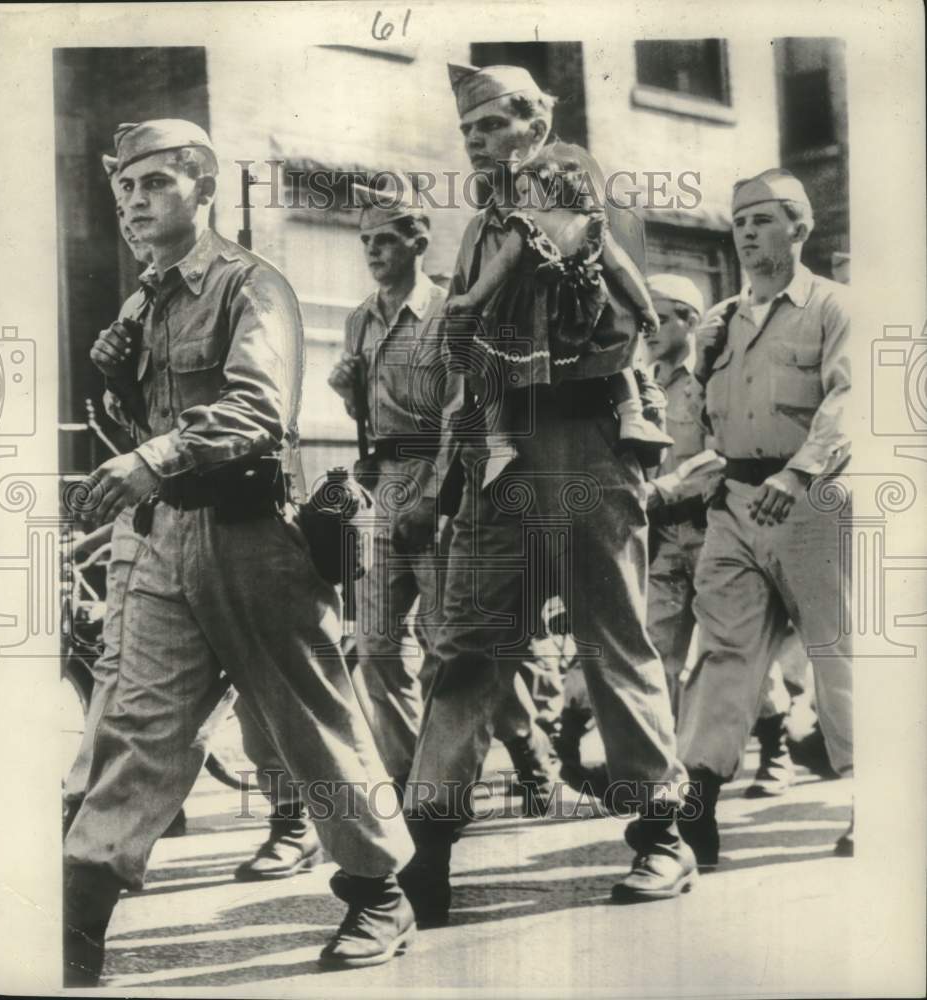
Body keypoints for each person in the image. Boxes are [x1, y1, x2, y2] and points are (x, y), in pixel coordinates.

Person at [62, 119, 416, 986]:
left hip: (252, 538)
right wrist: (116, 393)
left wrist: (149, 457)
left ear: (201, 184)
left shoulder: (251, 286)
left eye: (151, 185)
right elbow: (145, 428)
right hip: (160, 541)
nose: (133, 205)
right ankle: (78, 919)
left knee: (307, 721)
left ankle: (377, 893)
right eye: (123, 192)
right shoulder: (142, 303)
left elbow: (260, 410)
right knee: (137, 729)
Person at [398, 63, 697, 926]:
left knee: (611, 639)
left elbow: (566, 242)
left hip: (584, 438)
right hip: (502, 446)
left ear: (532, 121)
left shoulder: (572, 178)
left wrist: (485, 294)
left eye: (492, 126)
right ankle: (427, 847)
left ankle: (658, 829)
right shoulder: (477, 227)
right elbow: (464, 360)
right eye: (469, 132)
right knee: (468, 647)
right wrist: (445, 470)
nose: (479, 143)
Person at [327, 180, 560, 813]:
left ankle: (529, 749)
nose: (373, 251)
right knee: (374, 647)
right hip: (381, 486)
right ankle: (410, 782)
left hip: (441, 479)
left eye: (385, 239)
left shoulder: (452, 311)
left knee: (451, 643)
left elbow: (466, 408)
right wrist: (349, 390)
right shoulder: (359, 319)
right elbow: (370, 414)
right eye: (365, 241)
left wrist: (434, 493)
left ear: (418, 241)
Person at [675, 168, 854, 867]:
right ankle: (696, 795)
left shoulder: (833, 306)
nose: (746, 234)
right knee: (723, 654)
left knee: (837, 654)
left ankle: (873, 800)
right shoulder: (719, 322)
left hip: (813, 499)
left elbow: (849, 401)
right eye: (739, 222)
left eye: (762, 220)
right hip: (734, 503)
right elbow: (696, 424)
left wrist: (798, 471)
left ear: (798, 228)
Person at [642, 272, 799, 797]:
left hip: (714, 529)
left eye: (661, 317)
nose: (649, 328)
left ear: (691, 320)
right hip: (662, 540)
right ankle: (669, 774)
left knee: (732, 648)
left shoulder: (710, 376)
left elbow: (723, 451)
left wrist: (664, 489)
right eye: (644, 317)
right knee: (656, 649)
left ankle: (776, 753)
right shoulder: (643, 381)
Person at [447, 141, 670, 462]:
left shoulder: (526, 227)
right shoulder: (590, 224)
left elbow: (499, 269)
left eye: (525, 192)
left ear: (551, 189)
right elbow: (621, 268)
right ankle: (632, 414)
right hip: (587, 309)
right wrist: (643, 306)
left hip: (536, 313)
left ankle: (501, 441)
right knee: (613, 354)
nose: (520, 201)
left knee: (502, 368)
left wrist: (471, 299)